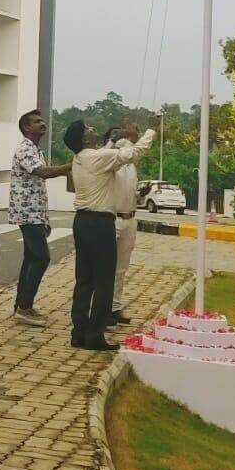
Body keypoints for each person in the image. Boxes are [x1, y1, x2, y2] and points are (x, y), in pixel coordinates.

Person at [64, 117, 157, 350]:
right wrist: (151, 131)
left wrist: (111, 142)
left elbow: (102, 155)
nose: (93, 130)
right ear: (85, 139)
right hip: (100, 223)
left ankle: (79, 331)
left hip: (82, 221)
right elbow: (134, 153)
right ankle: (95, 335)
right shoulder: (98, 158)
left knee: (84, 281)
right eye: (89, 129)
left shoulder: (80, 158)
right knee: (104, 281)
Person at [9, 109, 72, 327]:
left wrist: (45, 219)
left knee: (30, 258)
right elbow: (42, 173)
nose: (42, 123)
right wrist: (70, 167)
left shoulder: (36, 150)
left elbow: (39, 187)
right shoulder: (24, 149)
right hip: (27, 213)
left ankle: (21, 306)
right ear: (26, 127)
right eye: (37, 121)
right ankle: (25, 307)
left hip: (35, 213)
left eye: (42, 120)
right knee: (41, 258)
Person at [108, 124, 149, 327]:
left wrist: (140, 196)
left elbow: (131, 195)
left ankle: (114, 307)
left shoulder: (131, 166)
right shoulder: (109, 158)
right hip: (112, 218)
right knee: (106, 267)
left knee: (121, 269)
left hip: (129, 218)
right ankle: (101, 308)